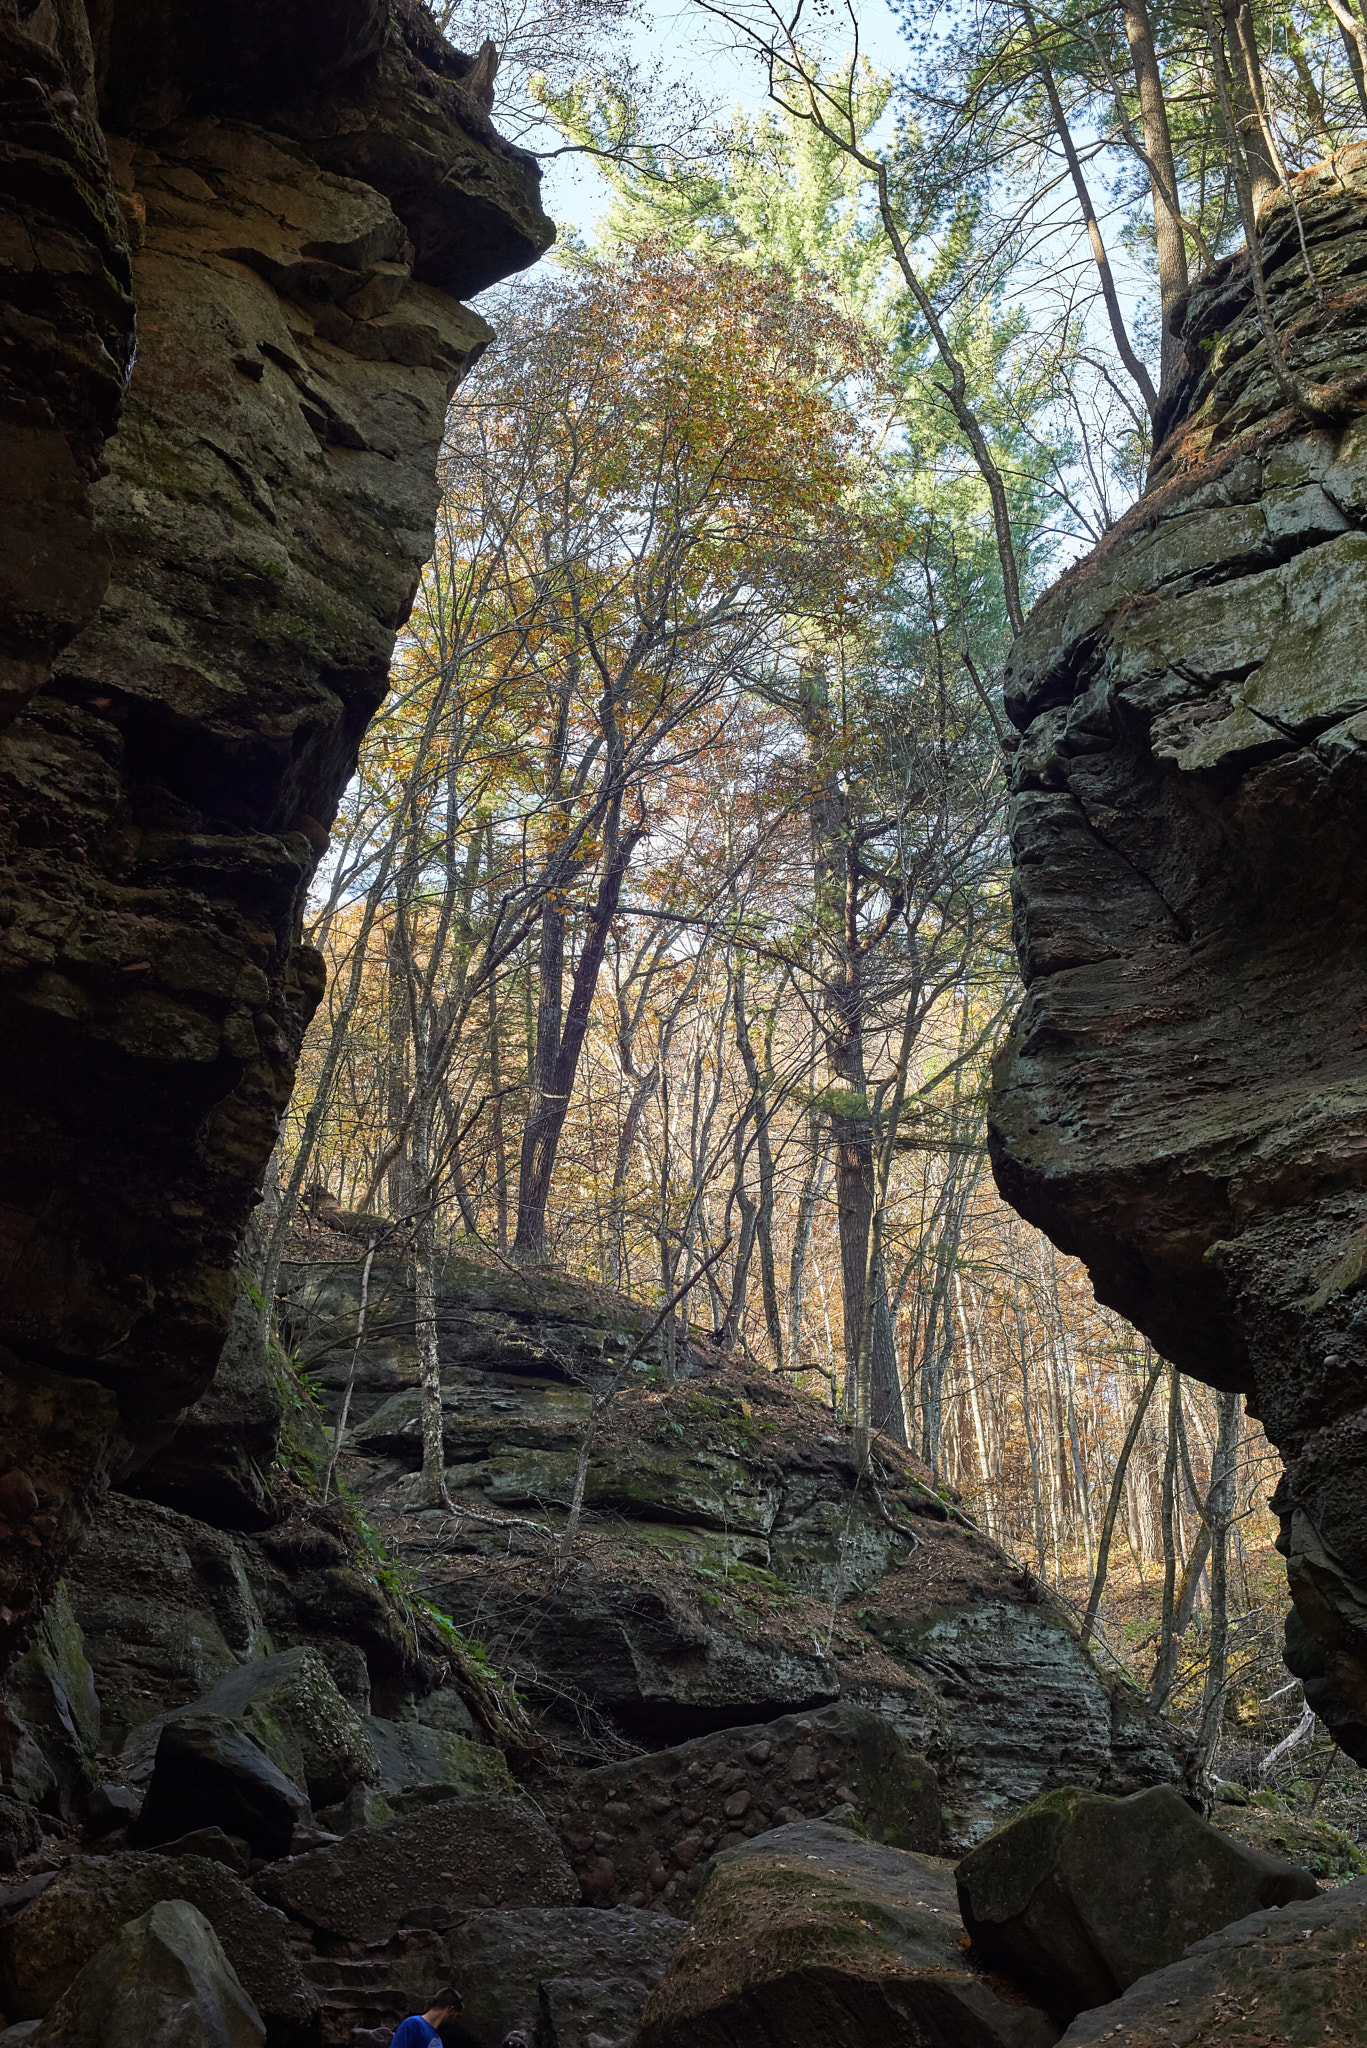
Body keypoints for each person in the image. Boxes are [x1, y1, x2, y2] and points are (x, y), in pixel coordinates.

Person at [389, 1989, 464, 2048]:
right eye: (457, 2016)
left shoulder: (437, 2037)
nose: (455, 2021)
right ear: (451, 2010)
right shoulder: (413, 2024)